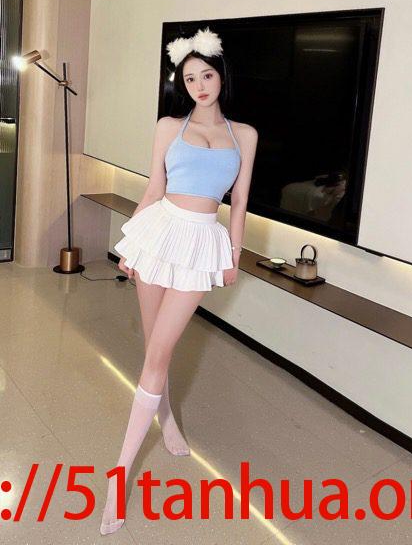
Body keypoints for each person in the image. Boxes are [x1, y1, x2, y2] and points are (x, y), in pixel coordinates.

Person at [99, 27, 258, 535]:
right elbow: (154, 188)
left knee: (160, 351)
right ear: (182, 84)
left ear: (221, 75)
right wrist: (130, 244)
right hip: (160, 232)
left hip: (201, 242)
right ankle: (165, 419)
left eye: (206, 75)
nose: (199, 86)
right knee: (154, 347)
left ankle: (118, 474)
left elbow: (239, 203)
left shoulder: (245, 135)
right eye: (190, 79)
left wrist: (233, 256)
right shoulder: (169, 126)